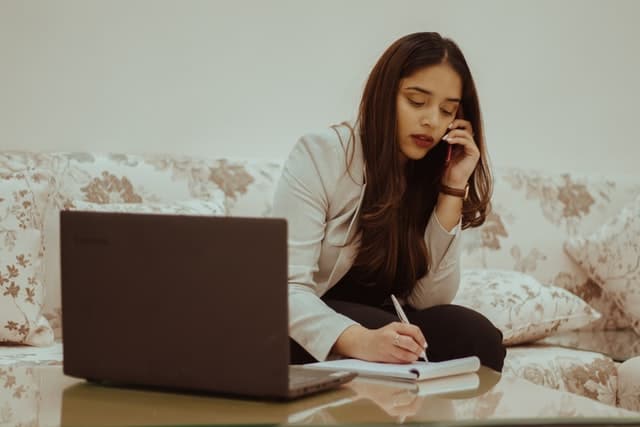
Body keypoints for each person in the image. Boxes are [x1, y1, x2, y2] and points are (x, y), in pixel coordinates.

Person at [272, 32, 506, 371]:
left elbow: (430, 300)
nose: (432, 121)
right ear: (385, 94)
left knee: (477, 336)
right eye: (416, 101)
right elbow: (286, 288)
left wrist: (453, 188)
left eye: (447, 110)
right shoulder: (321, 154)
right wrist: (361, 340)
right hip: (311, 321)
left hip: (386, 320)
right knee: (386, 333)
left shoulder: (431, 171)